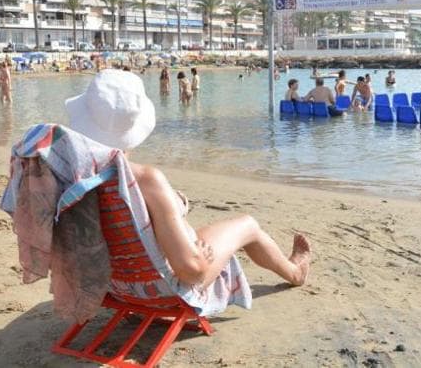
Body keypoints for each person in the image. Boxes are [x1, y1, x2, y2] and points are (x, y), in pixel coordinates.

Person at [64, 70, 310, 290]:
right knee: (248, 225)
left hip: (111, 283)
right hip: (158, 287)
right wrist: (199, 258)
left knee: (178, 215)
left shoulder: (71, 173)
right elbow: (191, 272)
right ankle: (295, 273)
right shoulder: (145, 180)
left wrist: (172, 205)